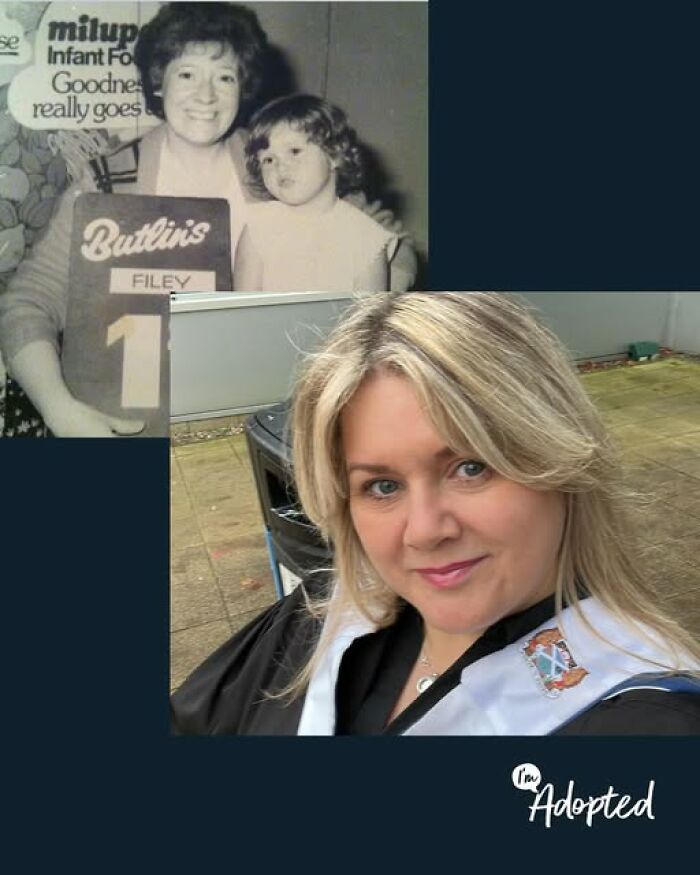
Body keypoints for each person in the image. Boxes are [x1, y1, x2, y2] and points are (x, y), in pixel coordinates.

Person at [171, 292, 700, 735]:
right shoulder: (320, 617)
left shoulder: (643, 717)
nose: (424, 531)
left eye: (471, 468)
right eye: (381, 485)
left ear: (560, 461)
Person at [0, 2, 416, 437]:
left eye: (224, 77)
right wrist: (57, 407)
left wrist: (369, 307)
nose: (206, 95)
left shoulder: (271, 166)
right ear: (158, 81)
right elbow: (27, 302)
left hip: (260, 414)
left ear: (243, 87)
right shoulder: (107, 181)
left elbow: (391, 241)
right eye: (187, 74)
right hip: (131, 426)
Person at [234, 95, 399, 292]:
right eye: (268, 160)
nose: (280, 166)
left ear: (334, 155)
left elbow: (368, 317)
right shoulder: (258, 226)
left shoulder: (366, 239)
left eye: (294, 151)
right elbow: (244, 308)